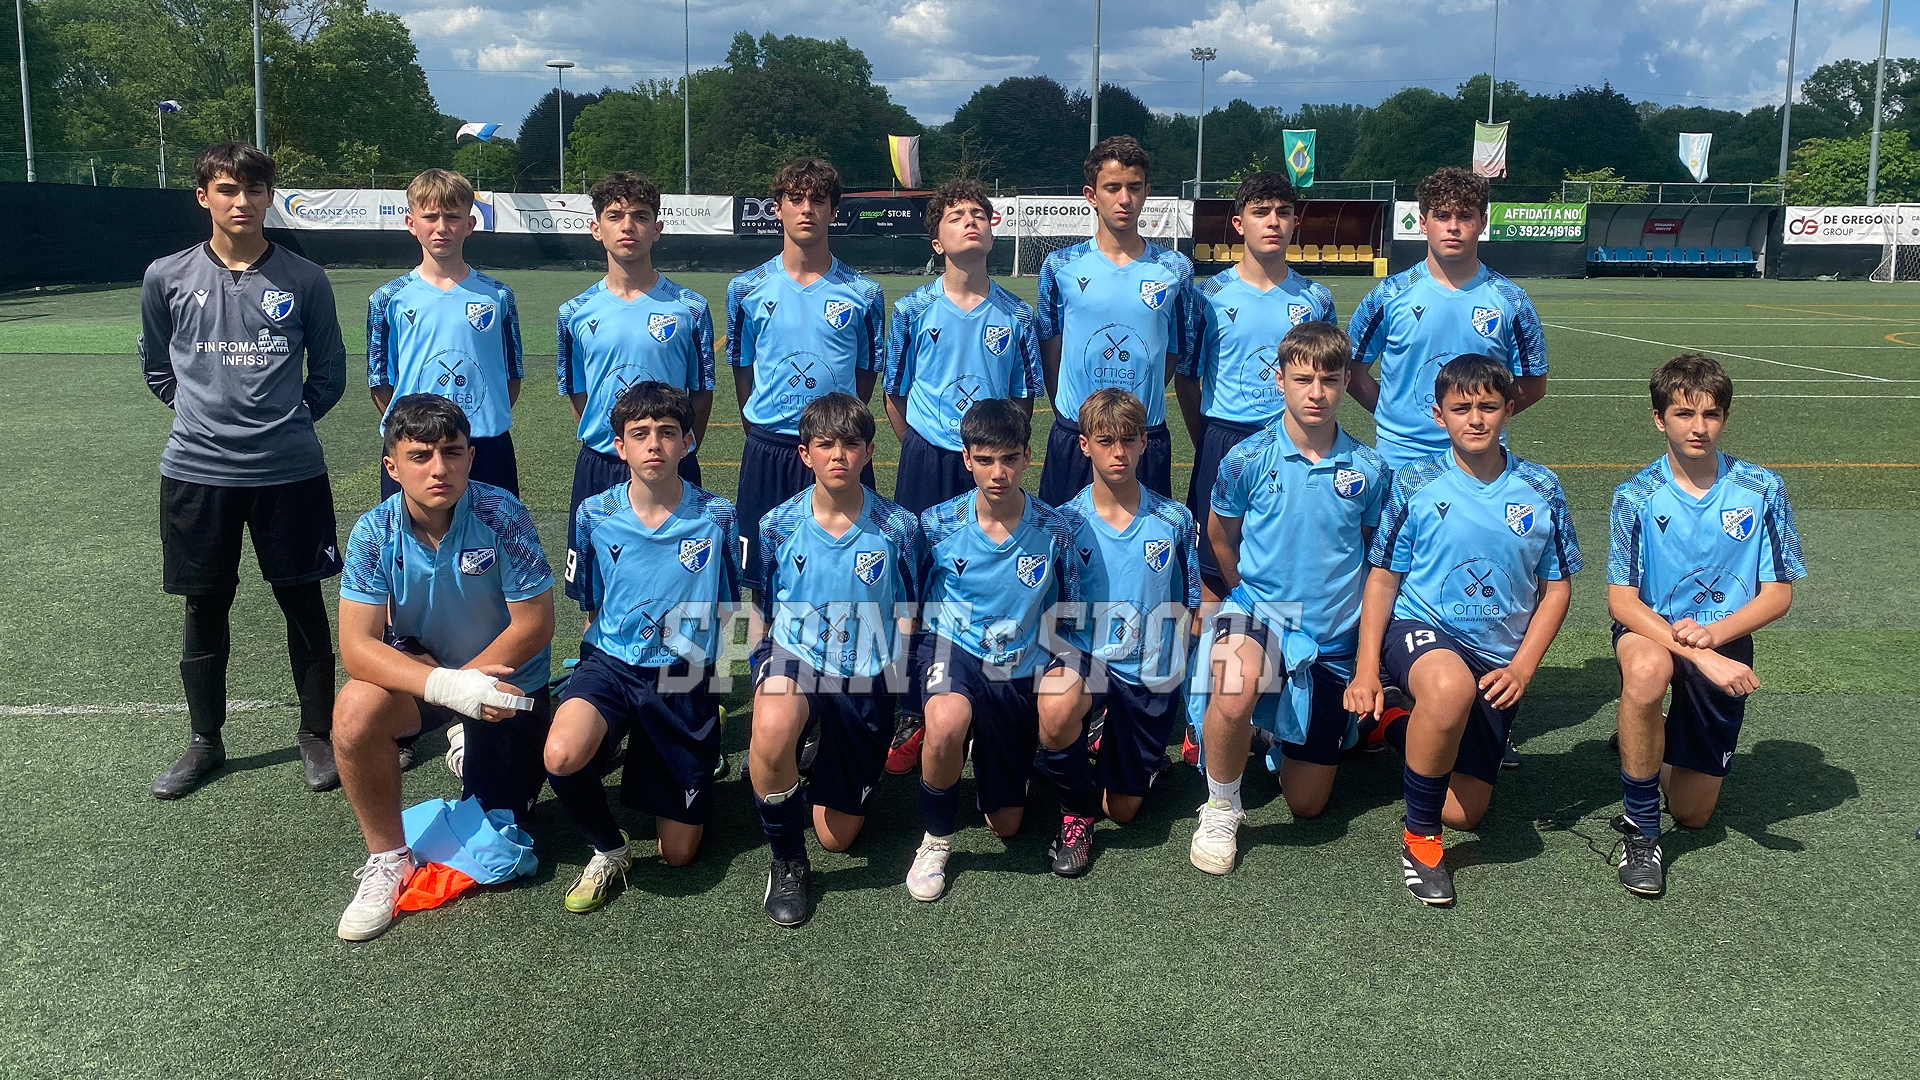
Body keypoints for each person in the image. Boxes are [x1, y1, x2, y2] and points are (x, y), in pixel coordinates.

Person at [140, 141, 347, 799]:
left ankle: (316, 734)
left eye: (254, 189)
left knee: (302, 599)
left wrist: (283, 423)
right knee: (205, 604)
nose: (242, 202)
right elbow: (156, 368)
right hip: (196, 472)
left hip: (289, 472)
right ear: (203, 196)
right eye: (228, 189)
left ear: (269, 197)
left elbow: (330, 373)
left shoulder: (305, 279)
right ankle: (205, 740)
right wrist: (202, 418)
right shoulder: (166, 276)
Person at [1347, 355, 1580, 906]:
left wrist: (1522, 668)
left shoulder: (1541, 487)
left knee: (1465, 812)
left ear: (1509, 409)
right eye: (1461, 408)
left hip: (1498, 657)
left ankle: (1394, 725)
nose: (1475, 419)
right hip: (1421, 628)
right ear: (1439, 415)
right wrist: (1365, 669)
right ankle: (1420, 841)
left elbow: (1557, 589)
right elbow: (1383, 579)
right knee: (1450, 688)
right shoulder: (1415, 482)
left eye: (1488, 407)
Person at [329, 395, 556, 941]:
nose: (439, 469)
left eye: (452, 452)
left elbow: (536, 623)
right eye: (420, 455)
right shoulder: (373, 531)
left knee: (505, 828)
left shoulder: (502, 514)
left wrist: (471, 686)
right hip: (428, 678)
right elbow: (356, 647)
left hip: (504, 684)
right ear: (392, 466)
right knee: (355, 709)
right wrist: (450, 688)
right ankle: (388, 859)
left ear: (471, 457)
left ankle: (476, 740)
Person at [1188, 323, 1389, 875]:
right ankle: (1221, 807)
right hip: (1258, 612)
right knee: (1235, 687)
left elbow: (1372, 554)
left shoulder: (1370, 469)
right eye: (1303, 379)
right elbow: (1221, 536)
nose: (1316, 392)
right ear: (1280, 381)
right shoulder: (1246, 458)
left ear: (1346, 382)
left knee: (1307, 804)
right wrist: (1245, 593)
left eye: (1330, 379)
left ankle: (1282, 730)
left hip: (1329, 641)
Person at [1606, 354, 1804, 897]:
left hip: (1725, 635)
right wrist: (1698, 653)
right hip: (1651, 631)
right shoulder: (1634, 495)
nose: (1699, 427)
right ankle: (1641, 831)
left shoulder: (1762, 488)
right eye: (1684, 414)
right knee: (1645, 673)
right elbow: (1622, 602)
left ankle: (1643, 739)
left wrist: (1715, 637)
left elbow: (1779, 594)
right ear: (1659, 419)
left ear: (1725, 418)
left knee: (1693, 814)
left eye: (1711, 414)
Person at [543, 382, 740, 914]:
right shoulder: (593, 513)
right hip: (612, 664)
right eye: (640, 434)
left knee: (679, 855)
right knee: (560, 754)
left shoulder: (718, 516)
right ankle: (610, 848)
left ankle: (698, 739)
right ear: (620, 446)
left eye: (667, 433)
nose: (654, 444)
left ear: (688, 442)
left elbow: (729, 608)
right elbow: (591, 604)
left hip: (683, 673)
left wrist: (710, 684)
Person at [749, 394, 924, 926]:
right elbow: (761, 609)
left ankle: (814, 755)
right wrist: (759, 669)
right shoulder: (777, 524)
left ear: (869, 451)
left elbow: (908, 612)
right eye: (825, 444)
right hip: (797, 656)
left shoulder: (899, 527)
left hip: (865, 674)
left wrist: (895, 686)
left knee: (837, 837)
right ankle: (787, 860)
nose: (838, 455)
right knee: (771, 727)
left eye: (851, 444)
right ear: (806, 454)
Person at [906, 400, 1085, 900]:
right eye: (984, 460)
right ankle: (936, 839)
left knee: (1006, 824)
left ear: (1028, 456)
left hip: (1018, 662)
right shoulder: (936, 524)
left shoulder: (1055, 530)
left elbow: (1067, 610)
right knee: (945, 720)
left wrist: (1058, 675)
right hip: (955, 647)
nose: (998, 472)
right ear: (967, 459)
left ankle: (997, 749)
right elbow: (913, 605)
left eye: (1008, 458)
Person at [726, 157, 885, 603]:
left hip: (839, 450)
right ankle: (766, 648)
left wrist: (838, 423)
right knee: (762, 582)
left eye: (818, 199)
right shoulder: (746, 288)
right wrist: (760, 426)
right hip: (770, 449)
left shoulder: (863, 293)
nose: (806, 208)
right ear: (777, 208)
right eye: (795, 198)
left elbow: (866, 373)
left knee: (847, 571)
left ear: (833, 211)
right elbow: (742, 367)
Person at [1044, 389, 1199, 839]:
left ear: (1145, 441)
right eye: (1106, 440)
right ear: (1084, 444)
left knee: (1122, 811)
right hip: (1087, 662)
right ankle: (1076, 799)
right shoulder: (1064, 523)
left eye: (1129, 439)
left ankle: (1117, 743)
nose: (1119, 452)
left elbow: (1190, 604)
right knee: (1056, 704)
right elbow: (1053, 609)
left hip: (1147, 671)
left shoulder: (1175, 520)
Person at [1175, 171, 1334, 601]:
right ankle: (1211, 642)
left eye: (1283, 212)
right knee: (1213, 567)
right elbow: (1187, 378)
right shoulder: (1208, 295)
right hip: (1225, 438)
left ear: (1296, 223)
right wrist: (1208, 438)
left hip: (1295, 445)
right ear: (1239, 223)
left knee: (1288, 557)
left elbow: (1329, 377)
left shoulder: (1316, 299)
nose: (1273, 222)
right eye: (1261, 212)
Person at [559, 170, 716, 580]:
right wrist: (611, 442)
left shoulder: (690, 307)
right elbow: (577, 392)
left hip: (671, 463)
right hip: (601, 465)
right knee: (597, 588)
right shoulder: (573, 312)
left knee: (680, 582)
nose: (627, 226)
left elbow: (701, 392)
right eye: (615, 216)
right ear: (596, 229)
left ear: (657, 229)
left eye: (640, 216)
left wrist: (680, 449)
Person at [1346, 166, 1547, 470]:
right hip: (1401, 458)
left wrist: (1482, 420)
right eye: (1442, 216)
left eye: (1465, 216)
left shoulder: (1512, 301)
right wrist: (1393, 417)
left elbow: (1533, 384)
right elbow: (1351, 370)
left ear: (1483, 222)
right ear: (1423, 223)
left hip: (1479, 460)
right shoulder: (1387, 295)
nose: (1453, 227)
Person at [1035, 135, 1196, 505]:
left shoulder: (1175, 269)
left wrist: (1135, 394)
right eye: (1112, 188)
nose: (1125, 199)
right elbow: (1050, 347)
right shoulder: (1060, 266)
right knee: (1064, 535)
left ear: (1146, 192)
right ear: (1091, 195)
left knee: (1147, 536)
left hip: (1143, 434)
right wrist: (1073, 413)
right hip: (1076, 433)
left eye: (1134, 187)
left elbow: (1174, 350)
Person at [885, 178, 1043, 515]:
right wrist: (918, 444)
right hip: (927, 456)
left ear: (992, 237)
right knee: (921, 546)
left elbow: (1022, 396)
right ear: (937, 244)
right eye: (956, 217)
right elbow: (895, 392)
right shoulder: (910, 310)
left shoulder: (1018, 314)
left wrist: (998, 444)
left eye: (979, 216)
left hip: (990, 458)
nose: (970, 221)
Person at [367, 169, 524, 498]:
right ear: (411, 223)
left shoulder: (497, 296)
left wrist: (475, 419)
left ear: (470, 224)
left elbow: (511, 377)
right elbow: (380, 383)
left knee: (493, 530)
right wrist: (417, 428)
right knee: (413, 532)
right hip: (415, 445)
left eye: (453, 217)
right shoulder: (388, 298)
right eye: (430, 217)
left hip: (486, 443)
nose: (441, 227)